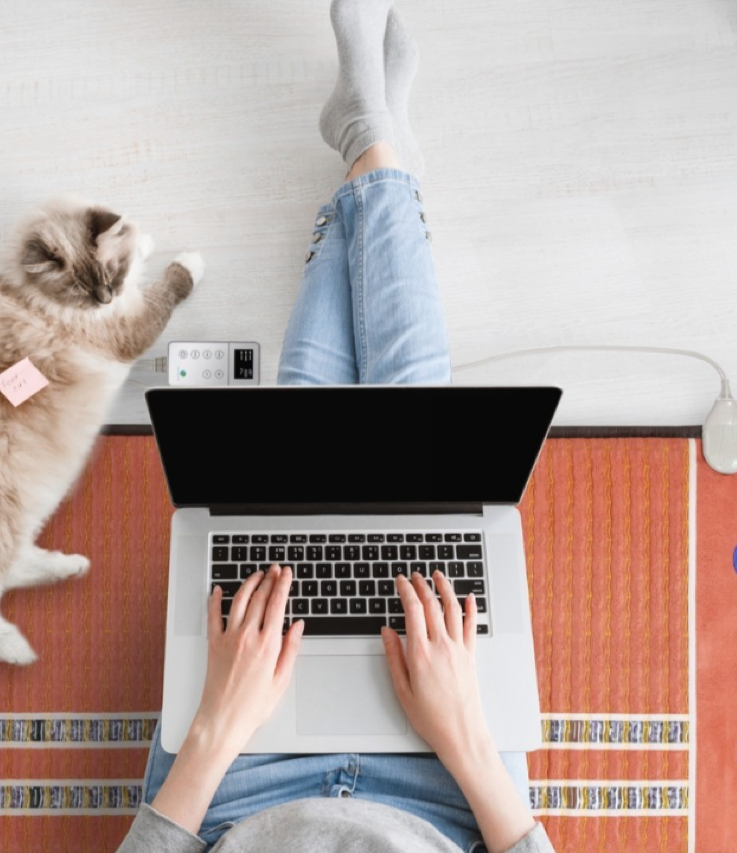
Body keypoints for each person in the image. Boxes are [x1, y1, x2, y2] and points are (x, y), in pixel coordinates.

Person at [117, 2, 555, 851]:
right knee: (420, 483)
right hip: (447, 790)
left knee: (294, 493)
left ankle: (374, 150)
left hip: (237, 781)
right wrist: (464, 731)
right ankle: (372, 148)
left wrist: (215, 724)